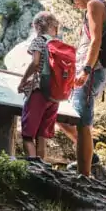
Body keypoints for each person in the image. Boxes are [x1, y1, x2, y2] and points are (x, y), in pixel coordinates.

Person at [58, 0, 106, 177]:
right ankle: (89, 163)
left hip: (92, 72)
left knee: (82, 121)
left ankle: (84, 175)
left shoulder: (94, 4)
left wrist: (86, 70)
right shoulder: (101, 5)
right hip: (94, 71)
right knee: (70, 118)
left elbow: (96, 40)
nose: (74, 3)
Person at [17, 11, 61, 160]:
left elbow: (35, 63)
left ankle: (33, 170)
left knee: (28, 135)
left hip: (39, 92)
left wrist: (23, 81)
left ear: (37, 26)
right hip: (55, 96)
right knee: (42, 136)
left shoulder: (39, 41)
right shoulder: (59, 45)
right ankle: (43, 171)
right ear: (54, 27)